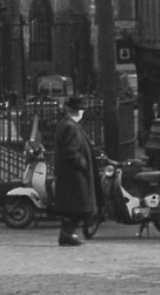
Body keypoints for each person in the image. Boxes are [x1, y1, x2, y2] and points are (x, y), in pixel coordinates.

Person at [52, 95, 98, 246]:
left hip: (73, 175)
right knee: (80, 208)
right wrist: (83, 163)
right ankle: (66, 234)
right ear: (79, 112)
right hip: (75, 176)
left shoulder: (67, 124)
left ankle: (67, 234)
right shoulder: (70, 127)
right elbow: (71, 152)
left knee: (76, 208)